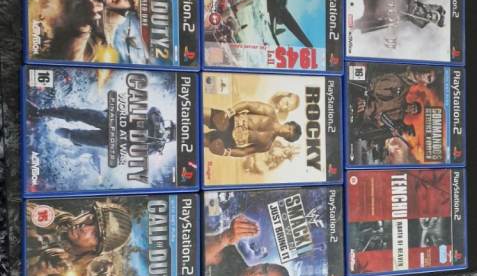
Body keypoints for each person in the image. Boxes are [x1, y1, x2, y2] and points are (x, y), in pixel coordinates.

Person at [27, 200, 132, 276]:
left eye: (95, 234)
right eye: (91, 219)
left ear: (96, 249)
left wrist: (39, 271)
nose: (84, 227)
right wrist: (31, 231)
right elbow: (23, 209)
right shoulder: (62, 220)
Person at [27, 98, 175, 153]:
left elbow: (135, 152)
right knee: (77, 116)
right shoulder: (158, 120)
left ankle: (43, 125)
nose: (167, 130)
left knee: (75, 133)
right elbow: (153, 110)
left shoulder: (156, 147)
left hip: (111, 138)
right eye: (170, 129)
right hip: (113, 124)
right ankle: (40, 113)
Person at [205, 214, 290, 276]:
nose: (258, 275)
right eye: (264, 268)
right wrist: (224, 238)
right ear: (261, 263)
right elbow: (200, 254)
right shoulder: (232, 254)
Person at [203, 98, 301, 158]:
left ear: (286, 138)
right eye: (289, 129)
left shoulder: (267, 145)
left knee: (197, 141)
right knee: (196, 112)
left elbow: (244, 152)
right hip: (229, 120)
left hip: (228, 139)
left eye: (288, 135)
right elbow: (248, 105)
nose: (286, 132)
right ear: (287, 124)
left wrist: (225, 152)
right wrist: (228, 113)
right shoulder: (270, 112)